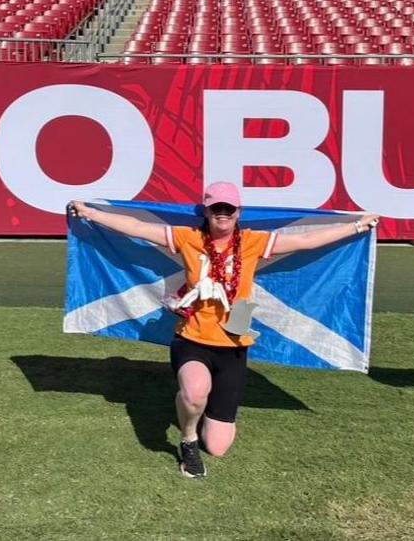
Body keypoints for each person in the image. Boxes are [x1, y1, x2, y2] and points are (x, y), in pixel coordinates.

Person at [69, 182, 379, 479]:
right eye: (216, 207)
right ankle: (188, 439)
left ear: (238, 212)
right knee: (193, 393)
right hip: (192, 339)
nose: (222, 213)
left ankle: (208, 414)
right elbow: (138, 228)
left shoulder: (254, 242)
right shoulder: (188, 237)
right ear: (205, 211)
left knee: (217, 447)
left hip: (233, 343)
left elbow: (305, 241)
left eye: (228, 208)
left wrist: (356, 227)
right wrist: (91, 213)